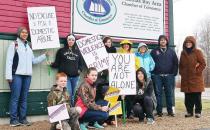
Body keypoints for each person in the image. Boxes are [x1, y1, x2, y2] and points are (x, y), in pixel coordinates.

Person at [5, 27, 48, 126]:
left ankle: (22, 119)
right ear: (19, 33)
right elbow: (9, 61)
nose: (25, 34)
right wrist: (8, 76)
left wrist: (44, 55)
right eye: (23, 32)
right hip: (16, 75)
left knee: (24, 98)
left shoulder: (28, 47)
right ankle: (13, 120)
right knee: (15, 98)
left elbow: (33, 61)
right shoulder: (14, 45)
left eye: (26, 33)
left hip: (27, 76)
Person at [51, 34, 83, 106]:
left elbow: (81, 64)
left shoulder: (78, 52)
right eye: (69, 40)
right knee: (68, 94)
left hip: (75, 77)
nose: (71, 41)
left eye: (72, 40)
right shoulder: (61, 51)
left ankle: (71, 111)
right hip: (65, 77)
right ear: (67, 40)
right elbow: (57, 63)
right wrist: (52, 64)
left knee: (72, 95)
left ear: (74, 41)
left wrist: (79, 70)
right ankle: (67, 112)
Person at [151, 35, 178, 117]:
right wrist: (153, 73)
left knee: (169, 93)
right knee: (158, 94)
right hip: (157, 76)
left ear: (166, 41)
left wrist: (173, 73)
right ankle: (159, 111)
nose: (163, 41)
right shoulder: (154, 51)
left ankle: (170, 111)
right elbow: (150, 63)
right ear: (159, 41)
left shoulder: (171, 52)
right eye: (161, 40)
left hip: (169, 76)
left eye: (164, 40)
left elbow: (176, 63)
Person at [179, 36, 206, 118]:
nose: (188, 44)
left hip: (196, 79)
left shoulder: (198, 52)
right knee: (187, 97)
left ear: (193, 44)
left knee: (197, 96)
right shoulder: (182, 53)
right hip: (186, 79)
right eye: (187, 43)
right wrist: (181, 73)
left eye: (190, 43)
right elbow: (180, 65)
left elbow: (203, 64)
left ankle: (198, 112)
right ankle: (189, 112)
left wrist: (197, 72)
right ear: (185, 44)